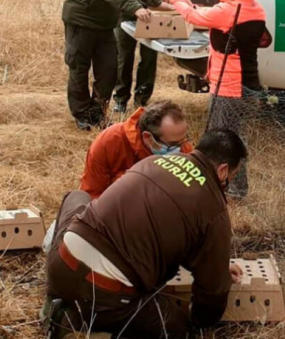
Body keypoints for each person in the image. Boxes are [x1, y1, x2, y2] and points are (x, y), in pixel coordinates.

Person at [44, 129, 248, 339]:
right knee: (175, 328)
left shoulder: (153, 162)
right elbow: (212, 292)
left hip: (60, 265)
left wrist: (217, 265)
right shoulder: (213, 208)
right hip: (105, 293)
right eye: (230, 177)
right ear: (223, 170)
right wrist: (200, 322)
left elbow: (157, 230)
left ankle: (54, 295)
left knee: (77, 197)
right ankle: (74, 325)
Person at [161, 0, 269, 199]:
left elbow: (192, 16)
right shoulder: (255, 9)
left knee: (224, 143)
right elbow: (204, 14)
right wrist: (183, 0)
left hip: (229, 89)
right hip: (249, 87)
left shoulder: (230, 11)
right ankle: (229, 188)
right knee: (234, 138)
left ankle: (231, 191)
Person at [62, 0, 173, 131]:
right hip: (81, 19)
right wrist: (135, 7)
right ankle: (82, 116)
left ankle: (98, 114)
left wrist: (157, 2)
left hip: (105, 23)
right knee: (79, 68)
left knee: (109, 71)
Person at [79, 99, 193, 199]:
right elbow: (91, 194)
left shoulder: (183, 148)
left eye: (183, 141)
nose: (180, 149)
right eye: (172, 144)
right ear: (148, 137)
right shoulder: (109, 142)